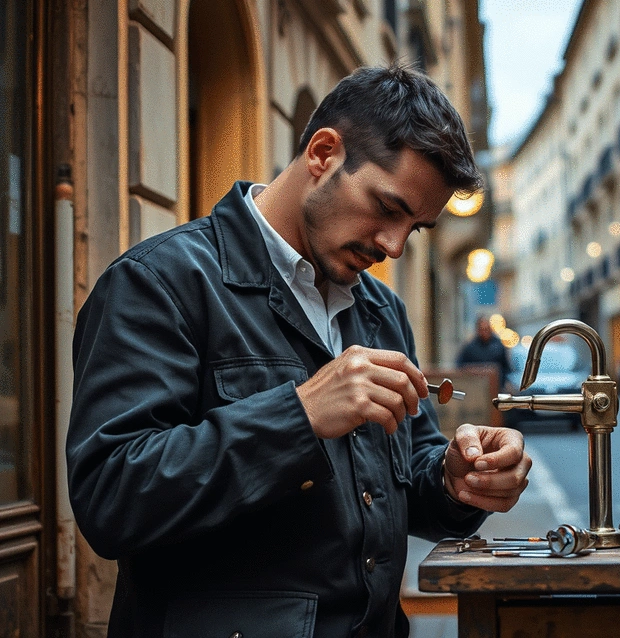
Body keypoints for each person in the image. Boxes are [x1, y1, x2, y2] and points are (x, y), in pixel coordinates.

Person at [66, 64, 532, 638]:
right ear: (323, 153)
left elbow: (405, 478)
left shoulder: (380, 310)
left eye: (413, 228)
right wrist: (302, 415)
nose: (392, 246)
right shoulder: (158, 282)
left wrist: (459, 477)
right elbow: (110, 499)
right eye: (388, 208)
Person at [456, 315, 513, 390]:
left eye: (486, 329)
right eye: (482, 329)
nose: (484, 332)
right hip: (476, 388)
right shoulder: (470, 347)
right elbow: (460, 365)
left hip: (496, 387)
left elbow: (506, 367)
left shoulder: (498, 345)